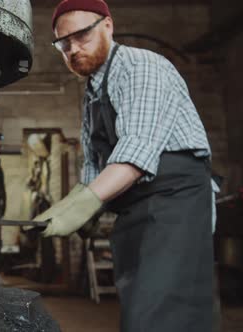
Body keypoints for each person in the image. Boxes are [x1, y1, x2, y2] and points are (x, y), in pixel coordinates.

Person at [34, 0, 215, 331]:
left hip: (173, 200)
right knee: (138, 312)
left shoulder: (140, 67)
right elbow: (93, 162)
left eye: (81, 36)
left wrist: (83, 204)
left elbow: (135, 152)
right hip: (133, 208)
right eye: (64, 43)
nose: (72, 49)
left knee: (160, 314)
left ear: (107, 26)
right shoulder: (91, 93)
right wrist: (82, 206)